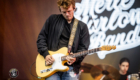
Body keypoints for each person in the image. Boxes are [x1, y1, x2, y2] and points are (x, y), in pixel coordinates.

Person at [36, 0, 90, 80]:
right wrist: (46, 54)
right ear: (60, 10)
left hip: (71, 68)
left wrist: (76, 58)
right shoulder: (52, 19)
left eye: (69, 11)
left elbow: (84, 47)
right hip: (51, 65)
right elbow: (41, 38)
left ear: (74, 8)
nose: (67, 14)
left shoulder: (82, 26)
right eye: (64, 12)